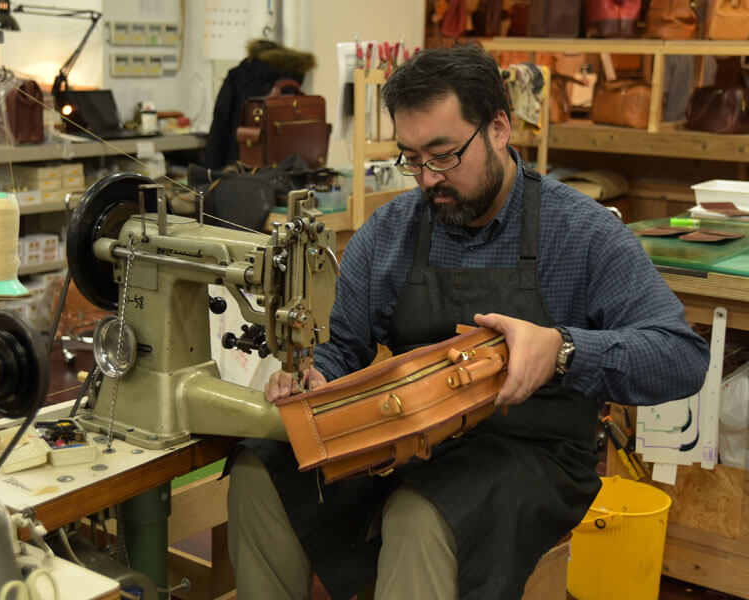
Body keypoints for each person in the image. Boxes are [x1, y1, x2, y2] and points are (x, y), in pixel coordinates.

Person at [225, 44, 710, 600]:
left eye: (444, 155)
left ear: (499, 128)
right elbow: (340, 344)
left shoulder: (583, 234)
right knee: (261, 468)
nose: (428, 179)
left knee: (420, 516)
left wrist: (564, 350)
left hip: (534, 452)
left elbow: (681, 357)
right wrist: (317, 378)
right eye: (411, 159)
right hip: (405, 437)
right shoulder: (389, 233)